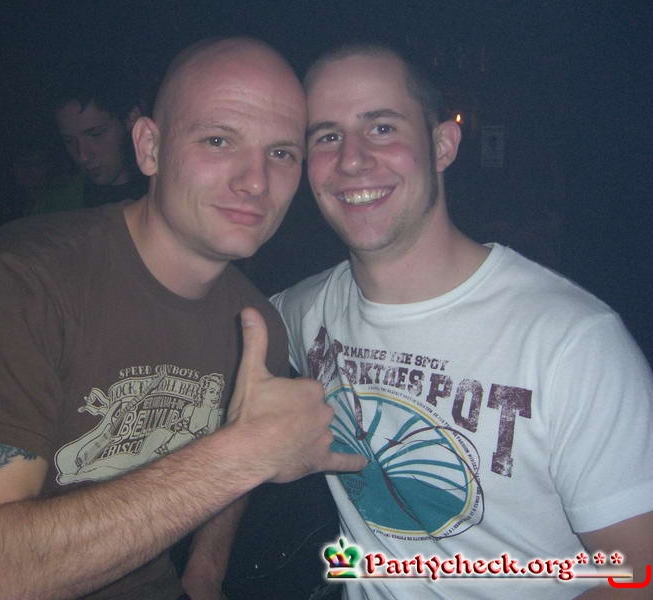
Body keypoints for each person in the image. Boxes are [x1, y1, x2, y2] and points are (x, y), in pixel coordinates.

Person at [0, 37, 365, 600]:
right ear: (149, 147)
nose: (255, 181)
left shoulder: (259, 325)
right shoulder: (18, 281)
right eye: (218, 140)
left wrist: (205, 572)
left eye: (281, 153)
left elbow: (238, 455)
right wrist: (245, 453)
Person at [272, 43, 653, 599]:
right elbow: (206, 318)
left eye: (381, 128)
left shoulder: (573, 343)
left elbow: (638, 577)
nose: (351, 160)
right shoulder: (306, 310)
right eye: (326, 137)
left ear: (442, 145)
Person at [27, 61, 150, 216]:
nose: (82, 156)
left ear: (131, 118)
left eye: (95, 134)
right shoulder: (54, 207)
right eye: (69, 141)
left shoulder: (167, 193)